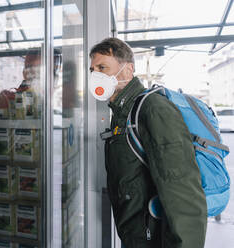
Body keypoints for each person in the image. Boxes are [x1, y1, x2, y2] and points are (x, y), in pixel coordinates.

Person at [89, 37, 207, 248]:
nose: (95, 76)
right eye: (92, 70)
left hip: (153, 239)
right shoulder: (122, 113)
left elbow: (182, 190)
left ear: (128, 69)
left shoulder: (153, 109)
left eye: (102, 67)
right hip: (136, 235)